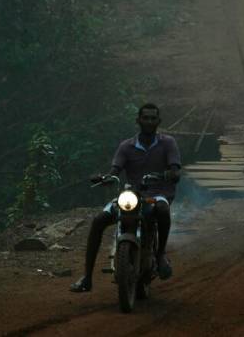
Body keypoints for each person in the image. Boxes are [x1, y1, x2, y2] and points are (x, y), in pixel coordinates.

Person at [70, 103, 182, 292]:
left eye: (153, 118)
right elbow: (115, 170)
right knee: (98, 221)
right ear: (137, 120)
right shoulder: (126, 146)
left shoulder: (168, 143)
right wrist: (107, 177)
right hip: (131, 196)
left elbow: (175, 169)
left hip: (157, 195)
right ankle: (87, 277)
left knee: (162, 209)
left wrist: (170, 174)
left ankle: (161, 253)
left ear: (159, 121)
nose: (149, 121)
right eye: (145, 118)